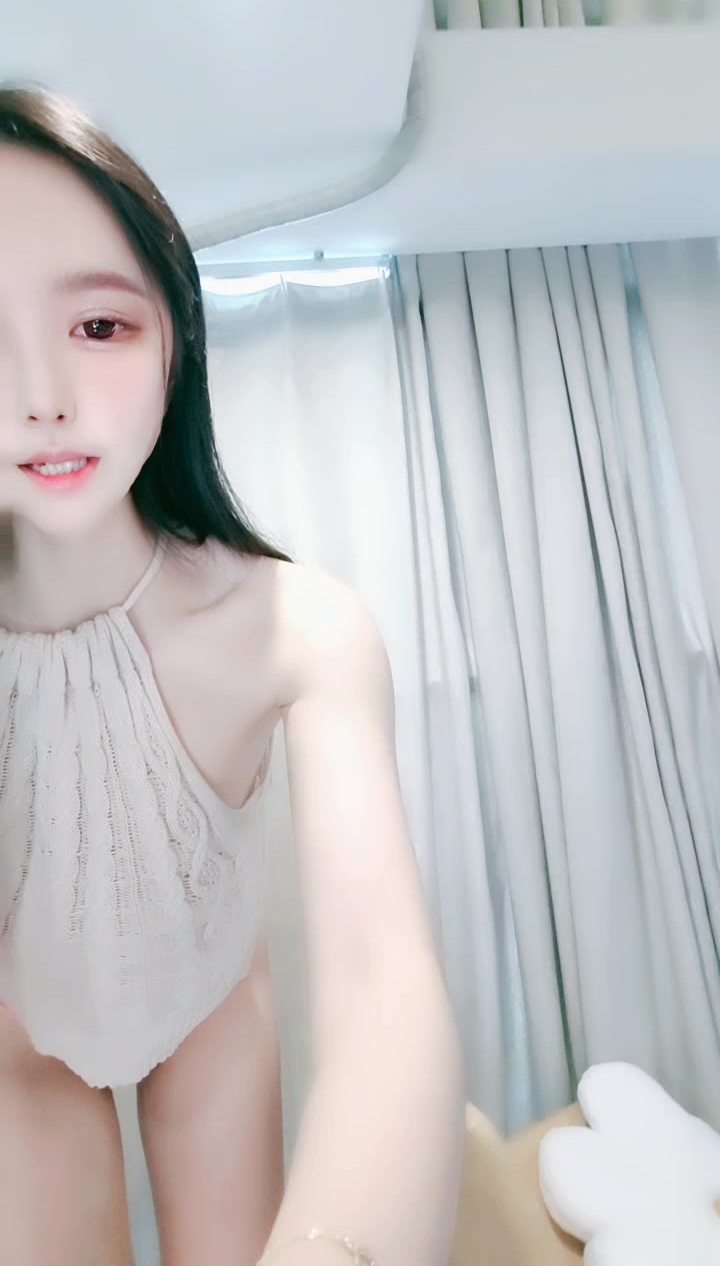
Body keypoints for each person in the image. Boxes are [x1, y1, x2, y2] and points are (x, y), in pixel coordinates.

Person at [0, 82, 465, 1266]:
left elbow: (384, 988)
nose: (39, 395)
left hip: (207, 1008)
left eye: (97, 326)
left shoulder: (298, 626)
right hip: (15, 1041)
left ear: (176, 335)